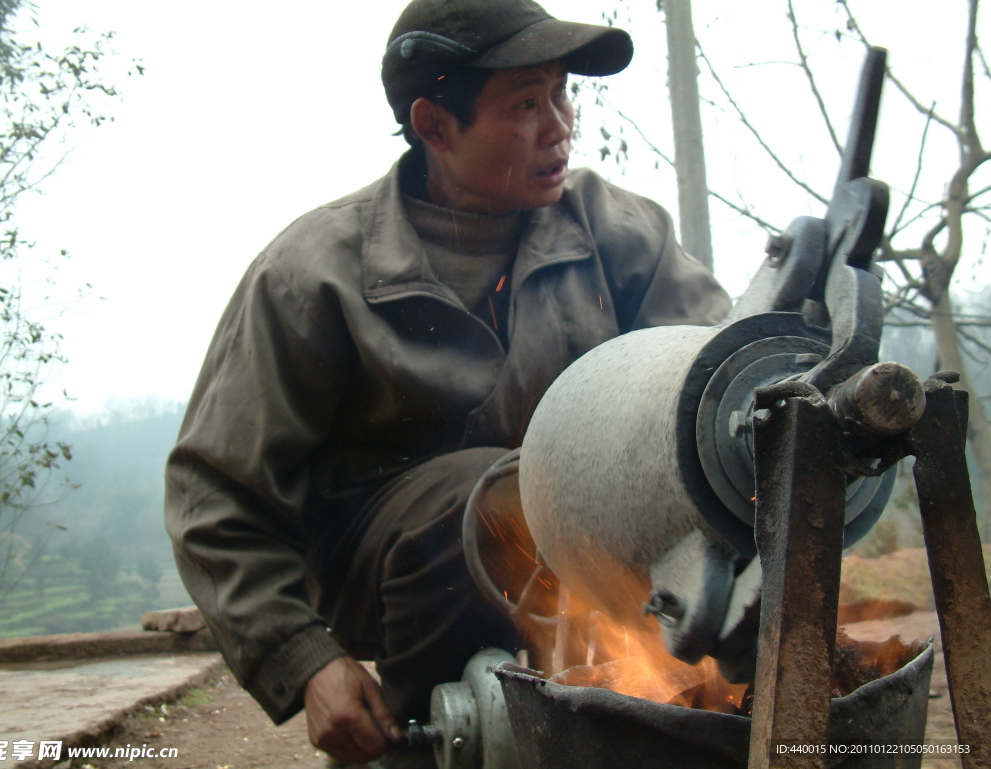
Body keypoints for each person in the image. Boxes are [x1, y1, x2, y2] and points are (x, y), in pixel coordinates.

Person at [165, 0, 730, 766]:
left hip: (585, 538)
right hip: (399, 562)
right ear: (434, 125)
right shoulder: (315, 274)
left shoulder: (614, 231)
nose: (561, 125)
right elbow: (215, 494)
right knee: (492, 496)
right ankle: (426, 746)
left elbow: (714, 373)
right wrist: (304, 656)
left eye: (563, 93)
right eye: (527, 103)